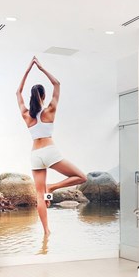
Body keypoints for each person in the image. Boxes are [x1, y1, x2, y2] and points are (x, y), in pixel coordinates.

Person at [16, 56, 87, 236]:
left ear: (31, 97)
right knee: (81, 177)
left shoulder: (26, 115)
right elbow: (57, 84)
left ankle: (46, 231)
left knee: (40, 195)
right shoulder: (49, 111)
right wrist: (40, 68)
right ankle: (53, 187)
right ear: (43, 96)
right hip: (50, 151)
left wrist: (26, 71)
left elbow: (18, 93)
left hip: (35, 155)